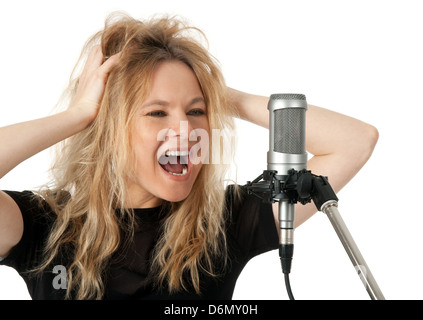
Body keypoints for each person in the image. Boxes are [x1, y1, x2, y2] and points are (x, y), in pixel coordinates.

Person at [0, 12, 378, 300]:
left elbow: (355, 141)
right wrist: (78, 115)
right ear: (108, 131)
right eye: (157, 112)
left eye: (196, 112)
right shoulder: (46, 225)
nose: (185, 130)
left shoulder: (224, 222)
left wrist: (218, 93)